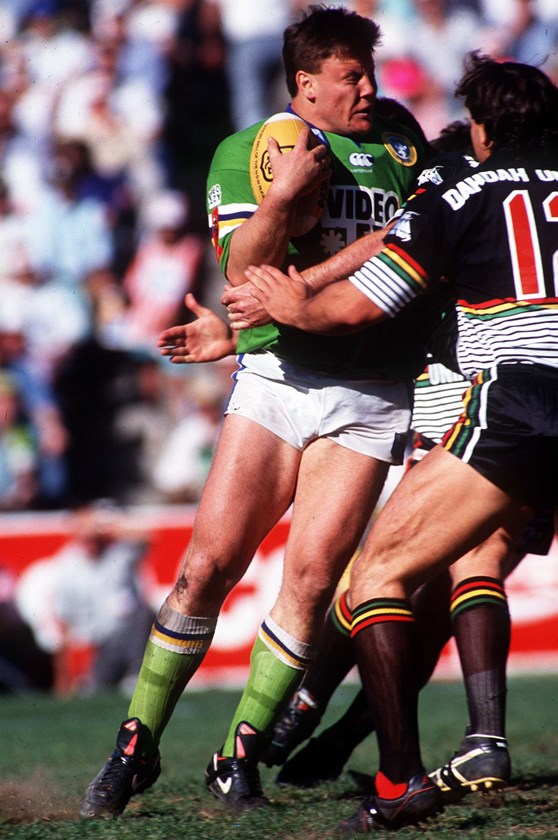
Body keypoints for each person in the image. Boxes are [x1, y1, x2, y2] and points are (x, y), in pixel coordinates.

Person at [80, 4, 434, 819]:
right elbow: (246, 270)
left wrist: (302, 282)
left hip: (373, 391)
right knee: (206, 568)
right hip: (278, 379)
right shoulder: (247, 153)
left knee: (309, 582)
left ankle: (237, 759)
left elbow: (418, 240)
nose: (369, 89)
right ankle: (135, 746)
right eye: (352, 77)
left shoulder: (401, 145)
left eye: (370, 73)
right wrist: (286, 200)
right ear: (305, 84)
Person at [235, 52, 558, 830]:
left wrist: (291, 303)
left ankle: (397, 780)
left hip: (519, 400)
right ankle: (458, 738)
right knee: (468, 561)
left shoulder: (460, 186)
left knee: (377, 570)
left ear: (478, 131)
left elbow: (363, 304)